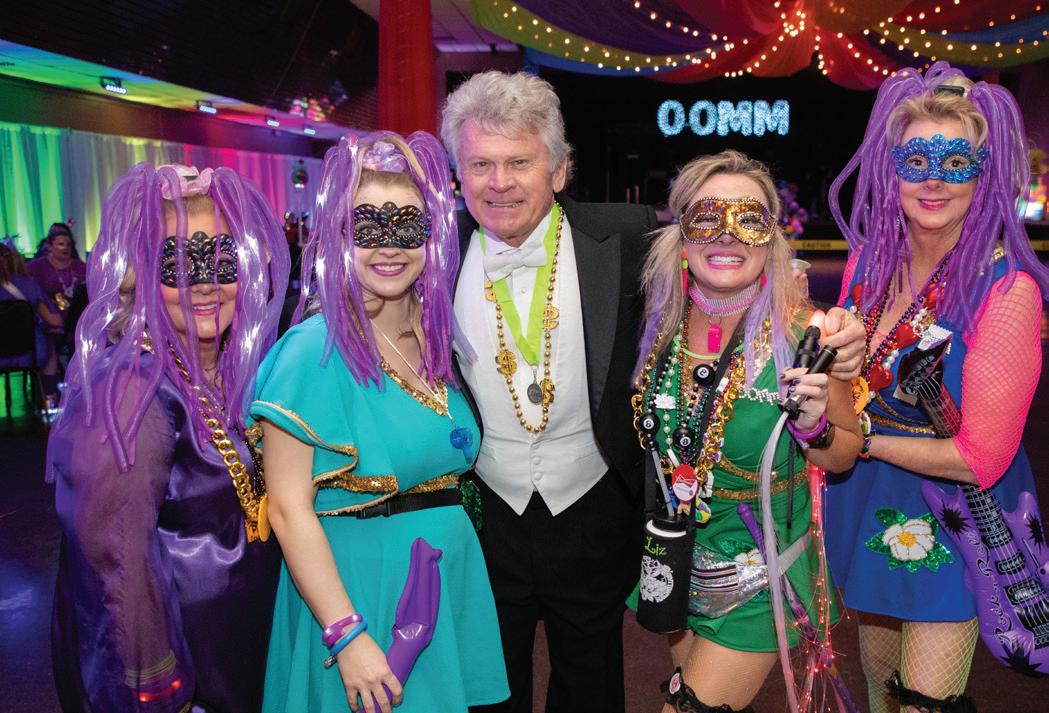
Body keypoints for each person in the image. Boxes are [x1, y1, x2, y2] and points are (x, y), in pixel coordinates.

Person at [439, 71, 866, 713]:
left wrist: (838, 344)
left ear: (559, 170)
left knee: (608, 690)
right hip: (516, 524)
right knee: (488, 691)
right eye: (481, 164)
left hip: (607, 521)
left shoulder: (623, 238)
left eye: (520, 161)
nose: (500, 181)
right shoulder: (430, 257)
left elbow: (835, 434)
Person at [251, 132, 508, 713]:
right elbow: (287, 509)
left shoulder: (436, 340)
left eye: (407, 226)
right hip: (360, 590)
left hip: (443, 580)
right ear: (339, 237)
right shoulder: (313, 350)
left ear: (432, 236)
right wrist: (347, 634)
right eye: (367, 227)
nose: (388, 247)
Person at [823, 62, 1049, 713]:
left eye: (955, 162)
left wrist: (856, 440)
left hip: (953, 517)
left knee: (925, 704)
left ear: (983, 174)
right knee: (880, 694)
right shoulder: (868, 264)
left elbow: (980, 460)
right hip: (865, 501)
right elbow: (847, 385)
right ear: (889, 167)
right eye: (915, 159)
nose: (932, 179)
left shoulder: (1006, 291)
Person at [47, 163, 289, 713]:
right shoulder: (129, 390)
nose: (204, 283)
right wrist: (158, 688)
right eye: (177, 264)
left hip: (235, 651)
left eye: (221, 260)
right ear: (140, 274)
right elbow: (116, 565)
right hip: (186, 672)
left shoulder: (225, 370)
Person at [630, 150, 861, 713]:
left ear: (771, 238)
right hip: (679, 556)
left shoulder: (807, 334)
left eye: (749, 219)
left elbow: (845, 454)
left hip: (761, 569)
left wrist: (814, 428)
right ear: (681, 235)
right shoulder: (657, 320)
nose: (727, 235)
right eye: (707, 217)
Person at [0, 242, 63, 400]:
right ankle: (49, 397)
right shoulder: (28, 285)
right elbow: (55, 321)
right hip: (29, 353)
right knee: (50, 345)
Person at [27, 222, 87, 315]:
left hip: (78, 315)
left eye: (68, 244)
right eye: (61, 244)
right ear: (50, 247)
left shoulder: (81, 267)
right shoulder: (36, 266)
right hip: (48, 316)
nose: (65, 247)